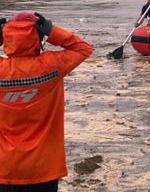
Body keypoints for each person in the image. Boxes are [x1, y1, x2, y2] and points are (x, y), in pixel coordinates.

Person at [0, 13, 92, 191]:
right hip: (43, 166)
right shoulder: (52, 65)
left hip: (4, 167)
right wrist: (53, 32)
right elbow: (83, 49)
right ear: (39, 37)